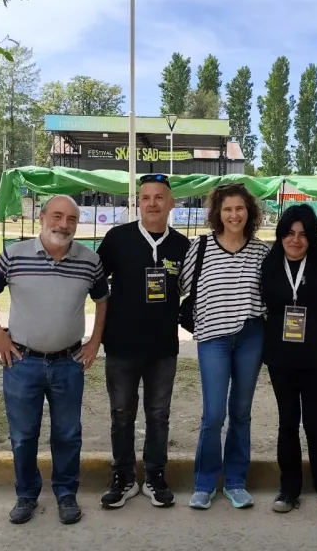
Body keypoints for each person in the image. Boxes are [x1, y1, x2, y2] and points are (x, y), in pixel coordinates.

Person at [0, 195, 109, 526]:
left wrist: (94, 342)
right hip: (22, 363)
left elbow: (103, 300)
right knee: (23, 434)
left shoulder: (90, 260)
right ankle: (26, 495)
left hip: (69, 363)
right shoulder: (14, 256)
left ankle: (66, 493)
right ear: (42, 218)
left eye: (72, 220)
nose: (64, 225)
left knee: (67, 433)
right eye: (58, 216)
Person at [96, 174, 191, 509]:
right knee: (121, 414)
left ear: (171, 204)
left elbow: (193, 290)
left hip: (163, 348)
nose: (152, 203)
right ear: (138, 202)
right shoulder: (117, 238)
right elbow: (96, 286)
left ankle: (155, 475)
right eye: (146, 197)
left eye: (159, 197)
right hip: (121, 346)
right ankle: (123, 477)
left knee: (158, 414)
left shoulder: (182, 246)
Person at [179, 183, 268, 510]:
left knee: (240, 413)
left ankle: (235, 481)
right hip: (212, 340)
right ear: (218, 212)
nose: (234, 215)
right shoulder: (200, 247)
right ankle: (204, 483)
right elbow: (181, 285)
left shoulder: (261, 252)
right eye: (228, 209)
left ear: (249, 212)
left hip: (250, 338)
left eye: (240, 209)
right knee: (213, 414)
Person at [260, 205, 317, 515]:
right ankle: (289, 488)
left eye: (303, 234)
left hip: (316, 357)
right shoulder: (268, 263)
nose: (295, 240)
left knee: (314, 423)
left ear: (312, 237)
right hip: (281, 357)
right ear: (281, 235)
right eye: (289, 233)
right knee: (287, 422)